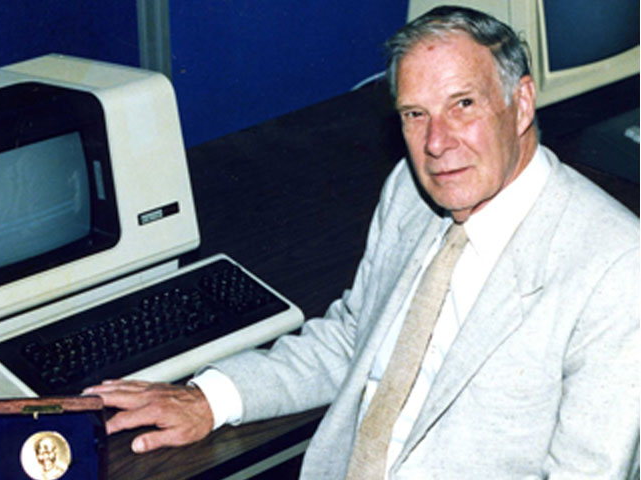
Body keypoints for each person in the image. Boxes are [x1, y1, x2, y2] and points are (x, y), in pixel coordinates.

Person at [84, 6, 639, 478]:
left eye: (463, 105)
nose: (437, 143)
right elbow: (358, 339)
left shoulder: (615, 266)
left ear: (520, 103)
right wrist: (212, 398)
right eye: (414, 115)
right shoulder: (411, 190)